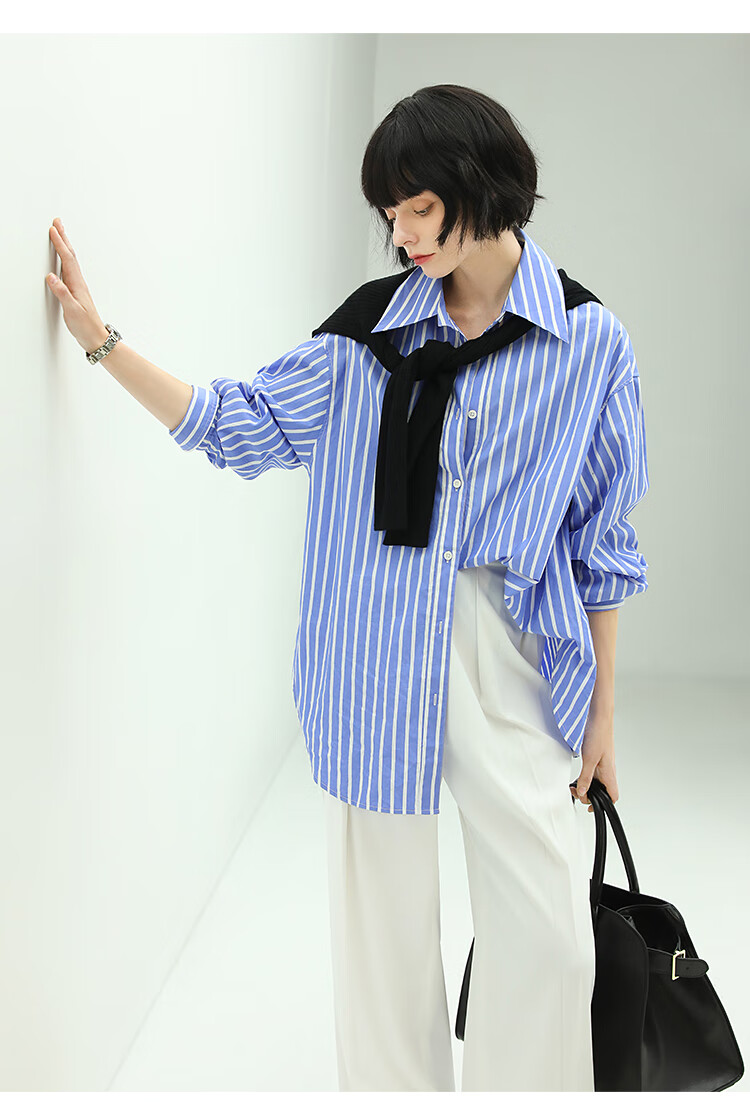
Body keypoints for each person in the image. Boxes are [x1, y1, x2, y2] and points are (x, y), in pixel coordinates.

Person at [45, 83, 649, 1092]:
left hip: (510, 652)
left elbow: (604, 540)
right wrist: (103, 344)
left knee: (548, 935)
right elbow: (237, 424)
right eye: (389, 212)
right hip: (371, 643)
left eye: (421, 207)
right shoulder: (366, 335)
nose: (401, 233)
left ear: (484, 189)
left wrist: (603, 716)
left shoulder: (589, 343)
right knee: (382, 941)